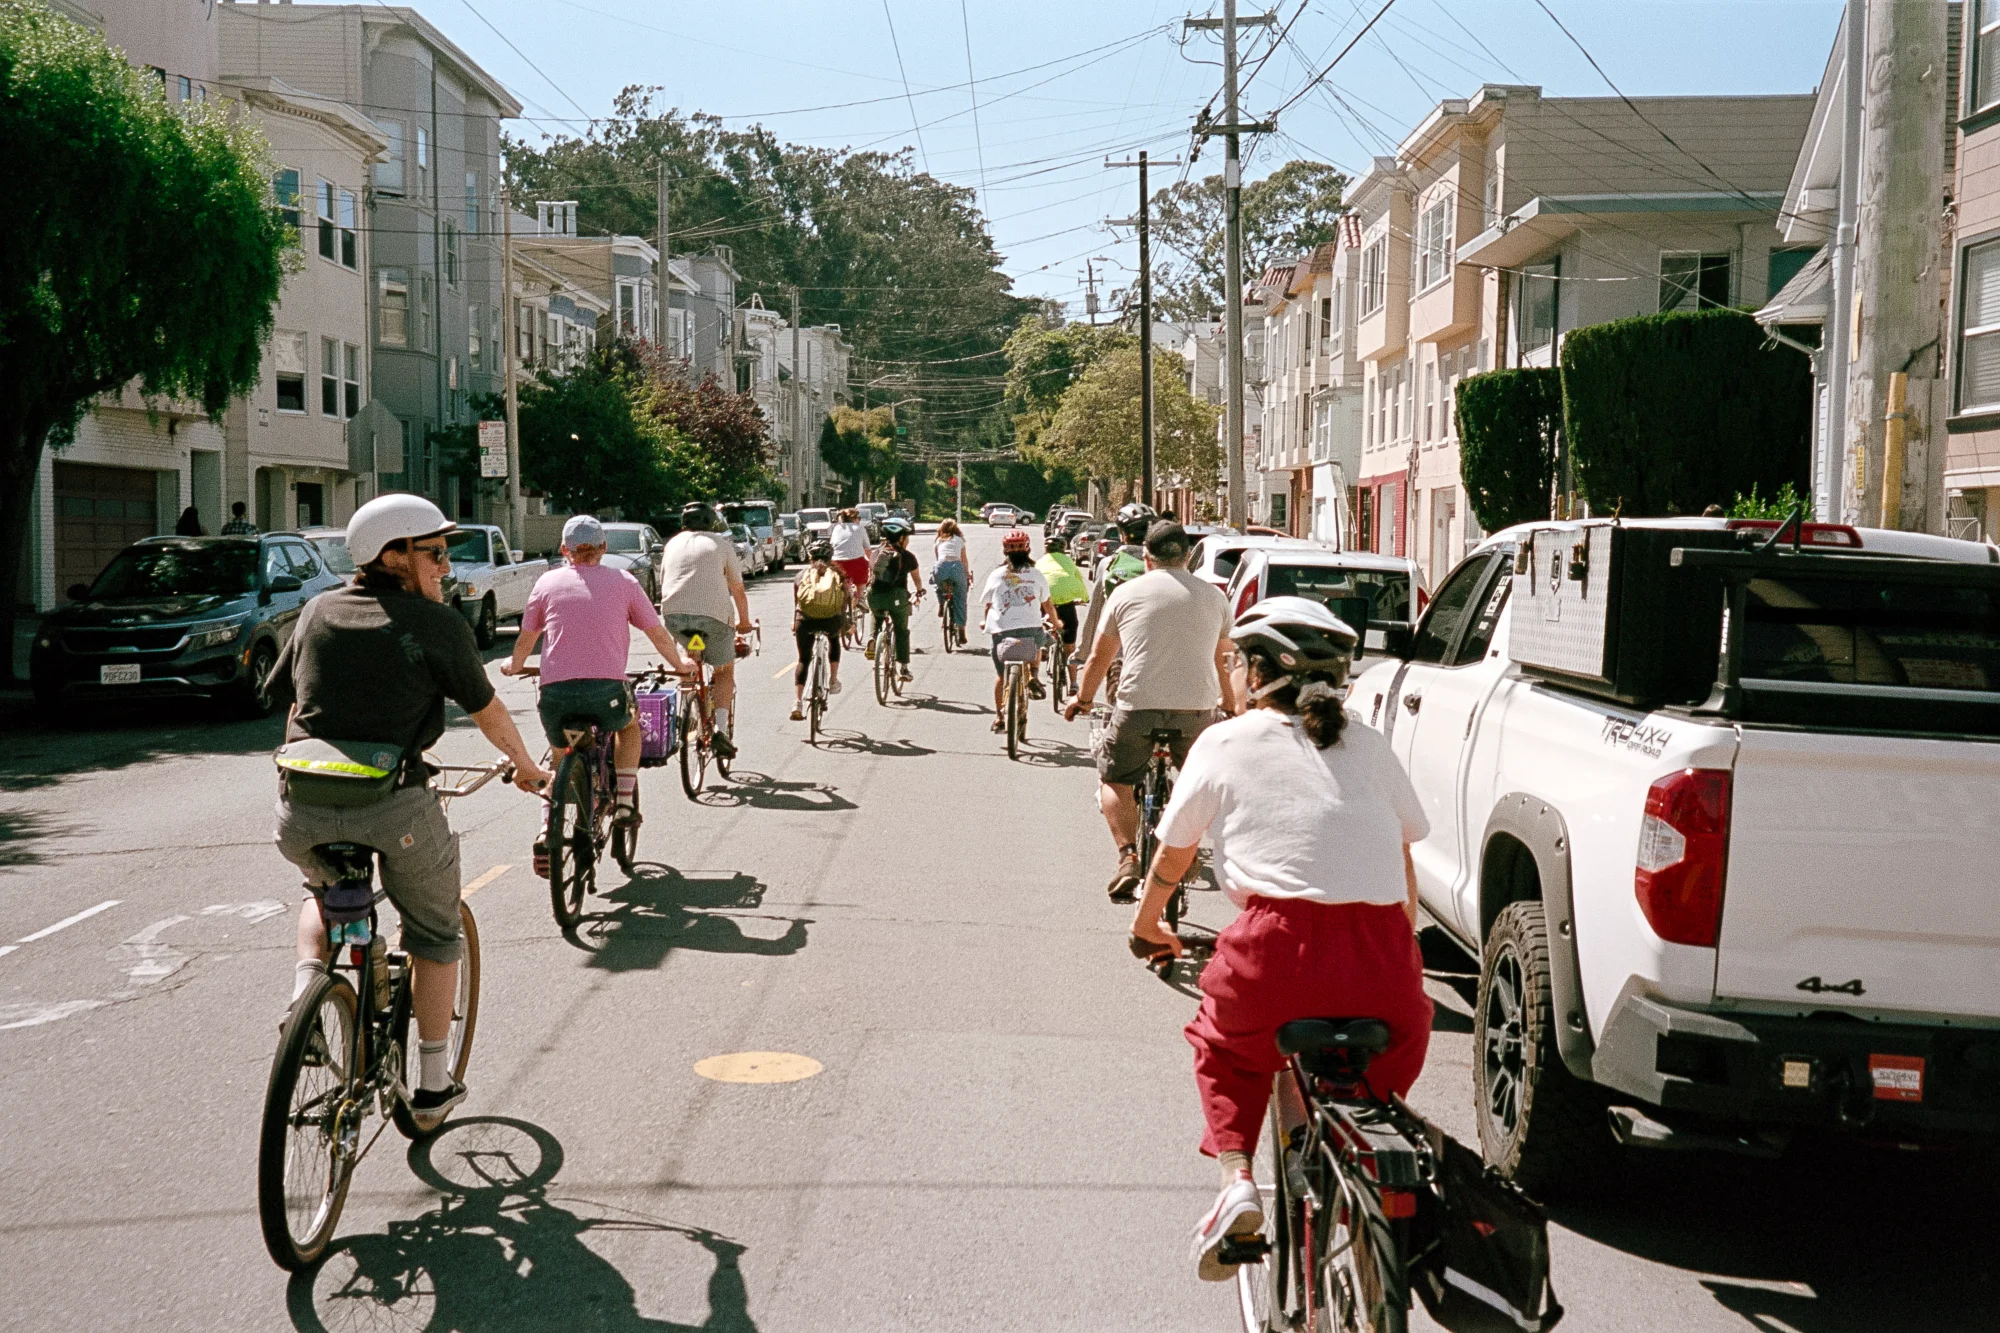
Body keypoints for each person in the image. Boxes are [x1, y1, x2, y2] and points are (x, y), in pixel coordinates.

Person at [1126, 598, 1432, 1280]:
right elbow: (1405, 855)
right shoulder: (1372, 745)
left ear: (1258, 673)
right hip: (1381, 953)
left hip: (1273, 950)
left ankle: (1237, 1183)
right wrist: (1397, 950)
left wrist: (1146, 925)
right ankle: (1358, 1171)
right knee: (1373, 1066)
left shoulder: (1226, 741)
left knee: (1227, 1047)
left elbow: (1173, 856)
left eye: (1235, 661)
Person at [268, 493, 549, 1130]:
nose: (446, 567)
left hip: (301, 805)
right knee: (433, 931)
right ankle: (431, 1086)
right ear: (392, 557)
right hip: (393, 806)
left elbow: (289, 702)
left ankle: (303, 997)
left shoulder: (317, 611)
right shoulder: (434, 624)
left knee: (321, 890)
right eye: (435, 554)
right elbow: (487, 710)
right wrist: (527, 768)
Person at [1065, 520, 1236, 901]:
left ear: (1146, 558)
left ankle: (1128, 858)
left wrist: (1082, 698)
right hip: (1195, 710)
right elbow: (1224, 659)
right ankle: (1183, 849)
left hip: (1137, 706)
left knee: (1115, 778)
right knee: (1196, 783)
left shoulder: (1125, 594)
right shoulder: (1214, 597)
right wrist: (1230, 704)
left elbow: (1099, 657)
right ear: (1188, 558)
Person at [502, 515, 695, 850]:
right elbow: (658, 635)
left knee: (560, 753)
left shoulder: (546, 584)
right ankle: (623, 801)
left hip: (556, 696)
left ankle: (549, 827)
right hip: (606, 693)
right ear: (604, 548)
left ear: (565, 549)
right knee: (628, 727)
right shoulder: (624, 582)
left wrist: (513, 665)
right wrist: (681, 664)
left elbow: (526, 639)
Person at [659, 501, 753, 760]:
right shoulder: (721, 544)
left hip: (675, 617)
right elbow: (737, 589)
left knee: (692, 656)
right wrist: (743, 621)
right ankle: (721, 731)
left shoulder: (671, 544)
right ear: (712, 522)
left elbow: (664, 581)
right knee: (724, 672)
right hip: (713, 618)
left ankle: (688, 705)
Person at [977, 529, 1058, 727]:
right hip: (1031, 629)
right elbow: (1047, 605)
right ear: (1027, 549)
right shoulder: (1037, 574)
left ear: (1005, 551)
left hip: (1001, 632)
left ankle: (999, 717)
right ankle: (1034, 674)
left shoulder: (996, 575)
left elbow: (988, 604)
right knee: (1040, 640)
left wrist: (985, 621)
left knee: (1001, 675)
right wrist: (1056, 624)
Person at [1073, 501, 1156, 663]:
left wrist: (1083, 653)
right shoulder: (1165, 566)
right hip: (1157, 654)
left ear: (1122, 535)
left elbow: (1095, 611)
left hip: (1121, 654)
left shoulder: (1109, 564)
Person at [790, 537, 849, 720]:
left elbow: (797, 603)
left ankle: (797, 702)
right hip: (830, 621)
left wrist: (795, 623)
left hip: (805, 621)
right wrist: (847, 624)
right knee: (834, 641)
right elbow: (845, 603)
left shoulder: (801, 576)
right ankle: (832, 680)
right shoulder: (838, 575)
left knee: (804, 659)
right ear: (831, 557)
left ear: (810, 558)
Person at [863, 515, 924, 683]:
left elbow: (871, 575)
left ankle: (873, 638)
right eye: (907, 537)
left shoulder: (876, 554)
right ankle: (903, 668)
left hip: (874, 595)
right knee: (901, 630)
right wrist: (919, 591)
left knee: (877, 615)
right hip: (897, 597)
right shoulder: (908, 557)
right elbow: (917, 578)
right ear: (901, 538)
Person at [1035, 532, 1088, 664]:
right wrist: (1084, 598)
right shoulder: (1069, 561)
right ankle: (1074, 682)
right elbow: (1079, 580)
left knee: (1041, 621)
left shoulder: (1040, 562)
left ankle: (1044, 642)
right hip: (1065, 602)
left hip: (1045, 600)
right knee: (1070, 636)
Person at [931, 518, 972, 640]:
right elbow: (964, 560)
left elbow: (938, 559)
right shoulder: (959, 540)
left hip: (942, 567)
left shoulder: (938, 541)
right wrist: (967, 574)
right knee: (960, 598)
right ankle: (961, 630)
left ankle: (941, 602)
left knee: (936, 581)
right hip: (956, 567)